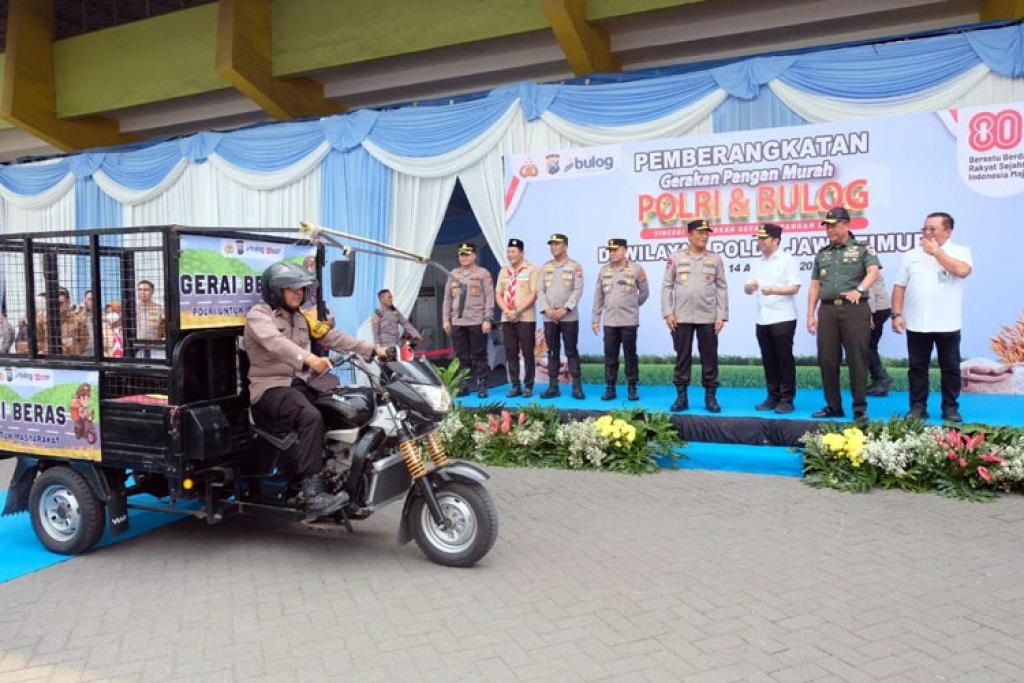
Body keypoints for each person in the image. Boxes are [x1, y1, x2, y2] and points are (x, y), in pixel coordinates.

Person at [244, 261, 389, 521]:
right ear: (275, 291)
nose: (299, 293)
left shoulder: (302, 317)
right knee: (310, 417)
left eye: (301, 289)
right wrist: (309, 359)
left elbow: (333, 337)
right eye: (291, 289)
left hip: (299, 385)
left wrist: (371, 349)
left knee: (345, 408)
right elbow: (276, 343)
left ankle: (344, 480)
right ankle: (313, 493)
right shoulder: (259, 315)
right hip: (270, 388)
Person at [891, 211, 973, 422]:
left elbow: (962, 271)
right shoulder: (911, 255)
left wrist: (937, 253)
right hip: (918, 323)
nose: (927, 233)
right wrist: (896, 314)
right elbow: (899, 286)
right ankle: (918, 408)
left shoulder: (960, 251)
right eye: (924, 229)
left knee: (950, 368)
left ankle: (950, 408)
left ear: (948, 231)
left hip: (948, 323)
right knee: (917, 369)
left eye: (932, 229)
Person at [806, 207, 880, 421]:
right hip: (828, 310)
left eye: (833, 225)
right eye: (827, 226)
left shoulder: (863, 248)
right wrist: (810, 313)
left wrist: (859, 291)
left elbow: (873, 272)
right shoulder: (823, 253)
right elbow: (814, 285)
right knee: (827, 360)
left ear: (847, 225)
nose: (829, 230)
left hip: (855, 309)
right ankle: (833, 406)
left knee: (857, 359)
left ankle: (859, 409)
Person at [661, 219, 728, 413]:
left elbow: (722, 287)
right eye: (700, 232)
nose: (704, 236)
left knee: (710, 358)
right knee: (682, 358)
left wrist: (721, 315)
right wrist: (668, 312)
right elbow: (666, 286)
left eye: (707, 233)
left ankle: (711, 398)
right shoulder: (675, 258)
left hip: (708, 316)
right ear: (689, 235)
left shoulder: (714, 259)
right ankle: (681, 398)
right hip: (681, 317)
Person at [744, 223, 800, 414]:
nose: (759, 242)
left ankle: (787, 398)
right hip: (762, 318)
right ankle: (772, 395)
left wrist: (774, 290)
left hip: (783, 317)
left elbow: (795, 287)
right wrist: (749, 288)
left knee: (784, 359)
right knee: (768, 359)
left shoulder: (787, 260)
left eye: (763, 239)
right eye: (758, 239)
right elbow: (748, 287)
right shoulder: (757, 262)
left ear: (775, 240)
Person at [592, 238, 649, 401]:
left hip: (629, 321)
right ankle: (610, 388)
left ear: (625, 250)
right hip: (610, 321)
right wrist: (596, 318)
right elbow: (599, 296)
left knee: (630, 355)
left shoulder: (636, 269)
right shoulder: (604, 271)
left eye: (616, 250)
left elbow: (644, 292)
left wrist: (632, 305)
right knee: (610, 356)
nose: (612, 253)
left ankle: (632, 387)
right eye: (610, 250)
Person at [442, 242, 495, 398]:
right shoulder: (453, 274)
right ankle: (463, 385)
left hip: (477, 320)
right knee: (461, 356)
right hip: (457, 322)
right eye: (461, 254)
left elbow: (489, 297)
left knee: (479, 355)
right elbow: (447, 299)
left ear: (474, 256)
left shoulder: (482, 273)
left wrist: (487, 318)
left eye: (467, 254)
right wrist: (446, 319)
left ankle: (482, 385)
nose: (463, 257)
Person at [538, 233, 585, 400]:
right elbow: (540, 291)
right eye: (551, 244)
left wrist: (565, 308)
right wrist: (547, 310)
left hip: (568, 317)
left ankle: (577, 387)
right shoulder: (545, 267)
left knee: (571, 351)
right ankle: (553, 386)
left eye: (557, 244)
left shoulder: (575, 266)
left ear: (565, 246)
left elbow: (577, 290)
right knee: (552, 352)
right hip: (549, 317)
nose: (554, 247)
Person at [496, 238, 540, 398]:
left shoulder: (532, 270)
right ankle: (515, 385)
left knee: (528, 352)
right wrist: (507, 310)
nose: (510, 255)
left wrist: (518, 310)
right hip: (507, 317)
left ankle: (528, 385)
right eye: (508, 252)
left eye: (513, 252)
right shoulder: (503, 271)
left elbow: (534, 293)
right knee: (510, 352)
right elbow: (498, 294)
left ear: (521, 252)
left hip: (525, 318)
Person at [36, 288, 90, 356]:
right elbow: (38, 340)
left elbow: (85, 341)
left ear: (68, 302)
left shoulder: (78, 320)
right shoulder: (41, 320)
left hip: (70, 360)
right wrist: (44, 350)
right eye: (52, 303)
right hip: (48, 359)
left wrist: (72, 348)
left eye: (60, 303)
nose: (56, 307)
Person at [865, 276, 894, 396]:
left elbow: (869, 286)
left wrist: (869, 312)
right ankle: (879, 381)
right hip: (881, 307)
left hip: (876, 308)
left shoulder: (866, 257)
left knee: (864, 345)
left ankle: (882, 378)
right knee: (870, 345)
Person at [136, 279, 166, 359]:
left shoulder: (159, 309)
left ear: (152, 292)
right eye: (140, 289)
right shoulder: (131, 309)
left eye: (146, 290)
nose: (142, 292)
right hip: (137, 348)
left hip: (155, 348)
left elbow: (164, 328)